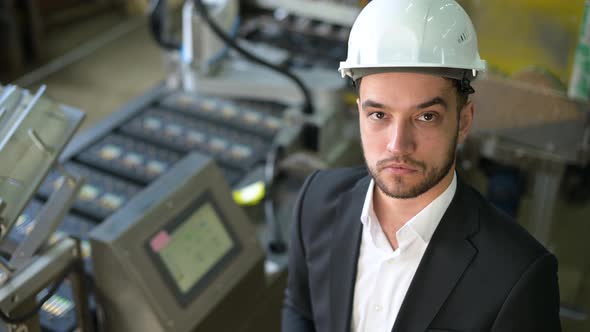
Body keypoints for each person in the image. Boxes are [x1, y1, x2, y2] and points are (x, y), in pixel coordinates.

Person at [281, 0, 561, 331]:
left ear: (463, 120)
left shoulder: (518, 278)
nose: (398, 144)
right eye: (379, 115)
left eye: (426, 117)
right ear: (359, 113)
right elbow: (301, 310)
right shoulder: (316, 201)